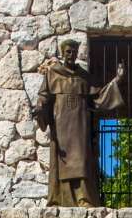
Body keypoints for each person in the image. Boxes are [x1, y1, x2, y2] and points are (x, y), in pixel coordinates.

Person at [34, 39, 125, 207]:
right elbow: (44, 97)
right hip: (60, 125)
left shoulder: (84, 76)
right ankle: (61, 198)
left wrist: (117, 81)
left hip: (80, 125)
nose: (71, 55)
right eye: (68, 52)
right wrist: (39, 110)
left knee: (82, 160)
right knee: (62, 160)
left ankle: (84, 198)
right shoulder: (52, 74)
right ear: (63, 53)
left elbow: (98, 98)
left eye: (74, 52)